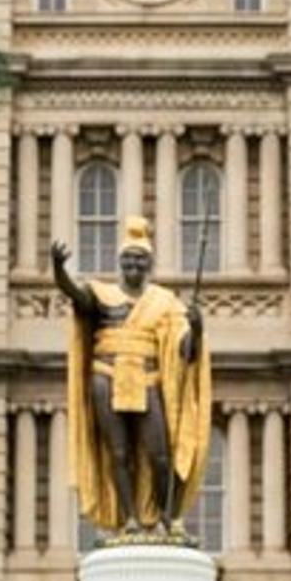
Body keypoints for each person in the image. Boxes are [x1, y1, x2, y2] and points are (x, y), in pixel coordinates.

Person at [51, 217, 210, 533]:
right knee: (119, 452)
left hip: (147, 378)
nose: (133, 264)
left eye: (140, 258)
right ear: (120, 261)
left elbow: (185, 352)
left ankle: (168, 516)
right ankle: (129, 519)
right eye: (128, 258)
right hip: (105, 376)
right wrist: (59, 269)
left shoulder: (164, 302)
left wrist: (197, 327)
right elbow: (76, 297)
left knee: (160, 454)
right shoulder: (101, 294)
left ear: (148, 263)